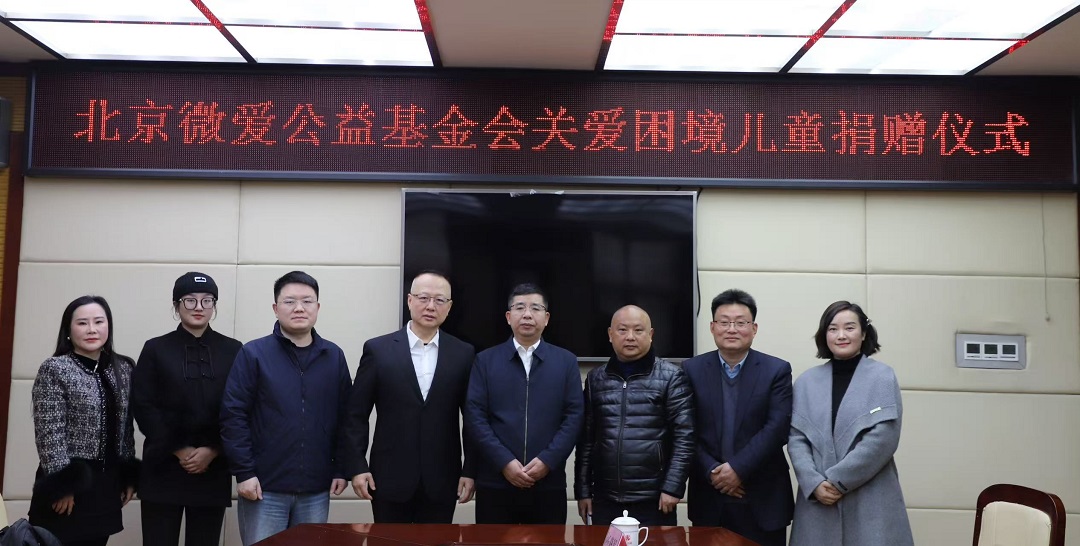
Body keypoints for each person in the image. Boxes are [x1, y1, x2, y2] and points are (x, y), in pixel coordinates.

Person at [220, 271, 351, 546]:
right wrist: (244, 473)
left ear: (318, 307)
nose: (299, 308)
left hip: (316, 489)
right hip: (263, 488)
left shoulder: (333, 356)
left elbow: (346, 417)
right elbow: (233, 416)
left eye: (307, 301)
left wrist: (341, 468)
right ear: (275, 308)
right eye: (290, 301)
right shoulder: (254, 354)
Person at [344, 270, 477, 523]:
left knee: (437, 541)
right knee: (388, 540)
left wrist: (470, 469)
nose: (431, 306)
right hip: (388, 477)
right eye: (423, 298)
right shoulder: (378, 350)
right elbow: (356, 415)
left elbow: (472, 419)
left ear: (449, 307)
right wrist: (357, 466)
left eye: (440, 300)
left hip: (443, 478)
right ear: (409, 300)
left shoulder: (463, 353)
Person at [788, 301, 914, 546]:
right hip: (817, 498)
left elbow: (884, 438)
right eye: (833, 329)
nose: (841, 335)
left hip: (871, 498)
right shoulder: (806, 382)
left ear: (864, 333)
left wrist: (837, 480)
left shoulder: (882, 376)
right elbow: (796, 438)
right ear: (824, 335)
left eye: (849, 327)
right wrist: (814, 483)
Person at [130, 272, 242, 546]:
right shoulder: (155, 348)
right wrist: (178, 448)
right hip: (163, 467)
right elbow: (143, 405)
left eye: (207, 300)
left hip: (212, 469)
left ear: (214, 305)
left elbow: (239, 407)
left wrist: (213, 450)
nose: (199, 307)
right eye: (190, 300)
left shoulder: (234, 350)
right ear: (176, 305)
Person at [681, 289, 793, 546]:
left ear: (754, 328)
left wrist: (737, 470)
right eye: (724, 322)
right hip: (709, 494)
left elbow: (777, 428)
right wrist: (712, 472)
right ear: (712, 327)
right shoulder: (691, 369)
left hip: (763, 497)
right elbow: (685, 430)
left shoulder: (777, 370)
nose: (732, 329)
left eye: (740, 323)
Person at [465, 283, 584, 524]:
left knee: (549, 542)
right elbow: (475, 417)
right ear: (509, 317)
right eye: (520, 307)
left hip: (548, 483)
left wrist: (547, 461)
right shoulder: (485, 361)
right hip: (495, 482)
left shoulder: (566, 362)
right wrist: (505, 463)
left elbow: (574, 417)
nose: (527, 314)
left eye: (535, 308)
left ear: (546, 318)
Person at [29, 295, 139, 546]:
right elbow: (49, 433)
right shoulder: (55, 368)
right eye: (82, 323)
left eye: (99, 321)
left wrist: (127, 475)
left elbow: (126, 429)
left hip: (106, 485)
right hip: (69, 485)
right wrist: (62, 485)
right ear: (68, 330)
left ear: (108, 326)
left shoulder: (123, 368)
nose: (92, 329)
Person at [575, 305, 694, 526]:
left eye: (638, 330)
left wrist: (672, 487)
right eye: (622, 330)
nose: (630, 337)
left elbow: (685, 438)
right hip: (604, 498)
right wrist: (582, 491)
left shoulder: (672, 377)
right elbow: (586, 440)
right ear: (610, 334)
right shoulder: (595, 379)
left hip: (655, 499)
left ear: (651, 334)